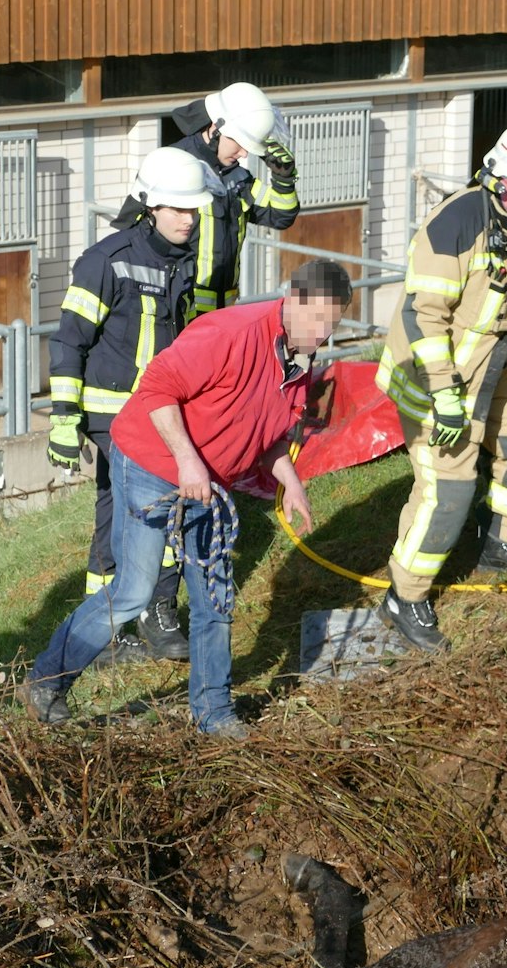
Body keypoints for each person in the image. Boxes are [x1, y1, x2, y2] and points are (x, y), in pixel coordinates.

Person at [21, 261, 352, 738]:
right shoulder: (229, 332)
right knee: (134, 591)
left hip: (210, 485)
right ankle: (46, 682)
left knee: (215, 600)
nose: (322, 334)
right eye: (316, 319)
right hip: (152, 462)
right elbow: (157, 390)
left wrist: (290, 478)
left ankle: (214, 715)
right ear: (292, 299)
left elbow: (274, 435)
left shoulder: (299, 361)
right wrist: (188, 461)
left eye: (332, 324)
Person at [373, 124, 507, 654]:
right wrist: (445, 395)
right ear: (494, 173)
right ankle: (404, 596)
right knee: (448, 492)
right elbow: (423, 316)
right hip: (439, 381)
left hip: (496, 368)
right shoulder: (458, 222)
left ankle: (500, 546)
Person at [47, 146, 214, 664]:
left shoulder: (184, 261)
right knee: (141, 509)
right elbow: (68, 341)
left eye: (194, 209)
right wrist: (63, 418)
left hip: (161, 411)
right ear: (151, 205)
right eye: (178, 208)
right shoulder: (107, 261)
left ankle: (143, 613)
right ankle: (124, 621)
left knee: (135, 510)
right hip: (112, 414)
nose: (189, 218)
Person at [129, 81, 303, 318]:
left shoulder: (239, 178)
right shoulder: (174, 168)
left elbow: (280, 217)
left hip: (224, 313)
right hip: (180, 313)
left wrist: (284, 180)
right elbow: (138, 242)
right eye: (240, 143)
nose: (244, 153)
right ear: (217, 128)